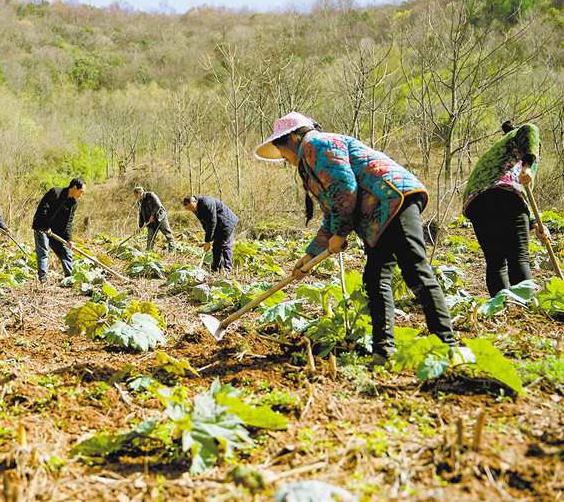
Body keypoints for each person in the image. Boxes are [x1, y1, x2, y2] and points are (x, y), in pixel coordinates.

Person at [256, 112, 456, 361]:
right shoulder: (310, 160)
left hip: (393, 199)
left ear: (292, 139)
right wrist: (310, 254)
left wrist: (340, 233)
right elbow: (332, 210)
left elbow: (344, 188)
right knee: (375, 279)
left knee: (415, 269)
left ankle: (448, 346)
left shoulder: (316, 144)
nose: (284, 159)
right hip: (377, 215)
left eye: (281, 151)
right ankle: (384, 352)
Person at [463, 121, 549, 297]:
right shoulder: (523, 150)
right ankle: (523, 308)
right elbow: (530, 129)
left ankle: (502, 308)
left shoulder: (501, 154)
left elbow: (525, 196)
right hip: (505, 197)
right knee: (519, 257)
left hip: (477, 203)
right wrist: (528, 165)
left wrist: (536, 225)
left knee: (496, 262)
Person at [31, 178, 86, 281]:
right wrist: (46, 226)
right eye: (81, 192)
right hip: (41, 227)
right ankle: (42, 279)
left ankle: (69, 278)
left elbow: (69, 222)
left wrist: (69, 240)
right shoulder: (55, 192)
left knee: (66, 251)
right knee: (43, 253)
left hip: (56, 232)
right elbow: (43, 209)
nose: (81, 195)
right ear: (74, 188)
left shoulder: (73, 204)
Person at [182, 195, 238, 274]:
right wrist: (209, 238)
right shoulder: (195, 208)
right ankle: (215, 268)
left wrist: (207, 241)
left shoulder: (207, 203)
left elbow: (212, 222)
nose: (192, 210)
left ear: (194, 201)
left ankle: (227, 270)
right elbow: (204, 223)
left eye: (191, 208)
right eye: (189, 209)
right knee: (216, 247)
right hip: (218, 225)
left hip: (227, 223)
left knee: (224, 245)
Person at [134, 186, 176, 252]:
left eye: (136, 195)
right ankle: (149, 252)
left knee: (167, 234)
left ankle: (172, 250)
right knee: (150, 237)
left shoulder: (151, 195)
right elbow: (141, 214)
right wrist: (140, 226)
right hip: (151, 222)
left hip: (160, 217)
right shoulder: (139, 202)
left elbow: (158, 205)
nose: (135, 197)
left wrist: (152, 216)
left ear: (139, 193)